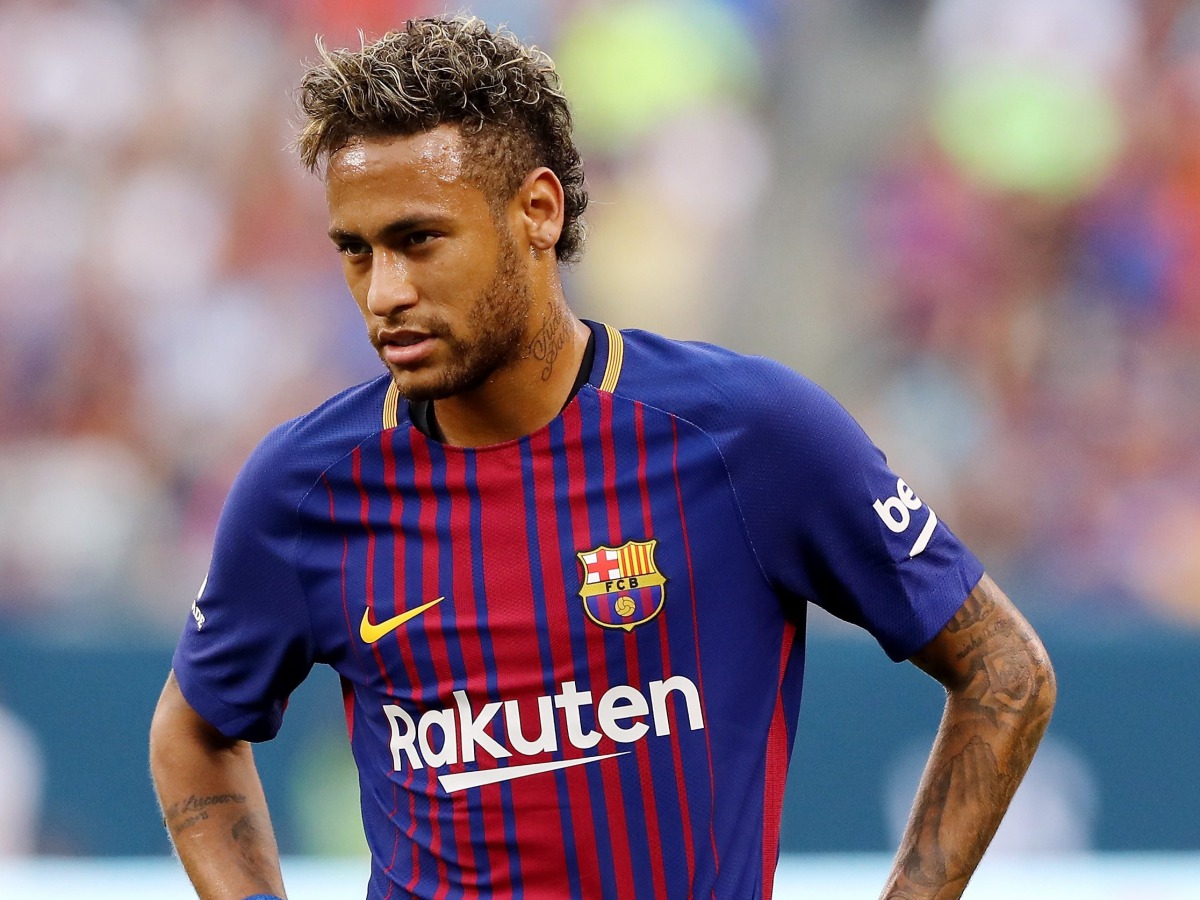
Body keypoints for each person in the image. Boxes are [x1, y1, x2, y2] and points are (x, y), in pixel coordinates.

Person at [149, 15, 1056, 900]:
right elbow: (191, 733)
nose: (385, 291)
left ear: (537, 211)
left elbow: (1004, 672)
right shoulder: (304, 490)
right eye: (357, 251)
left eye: (419, 240)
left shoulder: (750, 436)